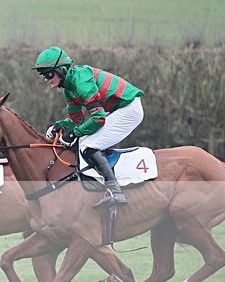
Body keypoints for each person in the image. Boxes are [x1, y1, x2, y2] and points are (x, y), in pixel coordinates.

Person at [32, 46, 144, 208]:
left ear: (61, 70)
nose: (46, 79)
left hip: (129, 109)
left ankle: (116, 192)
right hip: (116, 110)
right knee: (83, 141)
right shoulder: (69, 89)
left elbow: (98, 119)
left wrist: (72, 134)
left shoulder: (82, 82)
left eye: (48, 74)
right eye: (43, 75)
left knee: (89, 145)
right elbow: (76, 120)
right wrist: (59, 125)